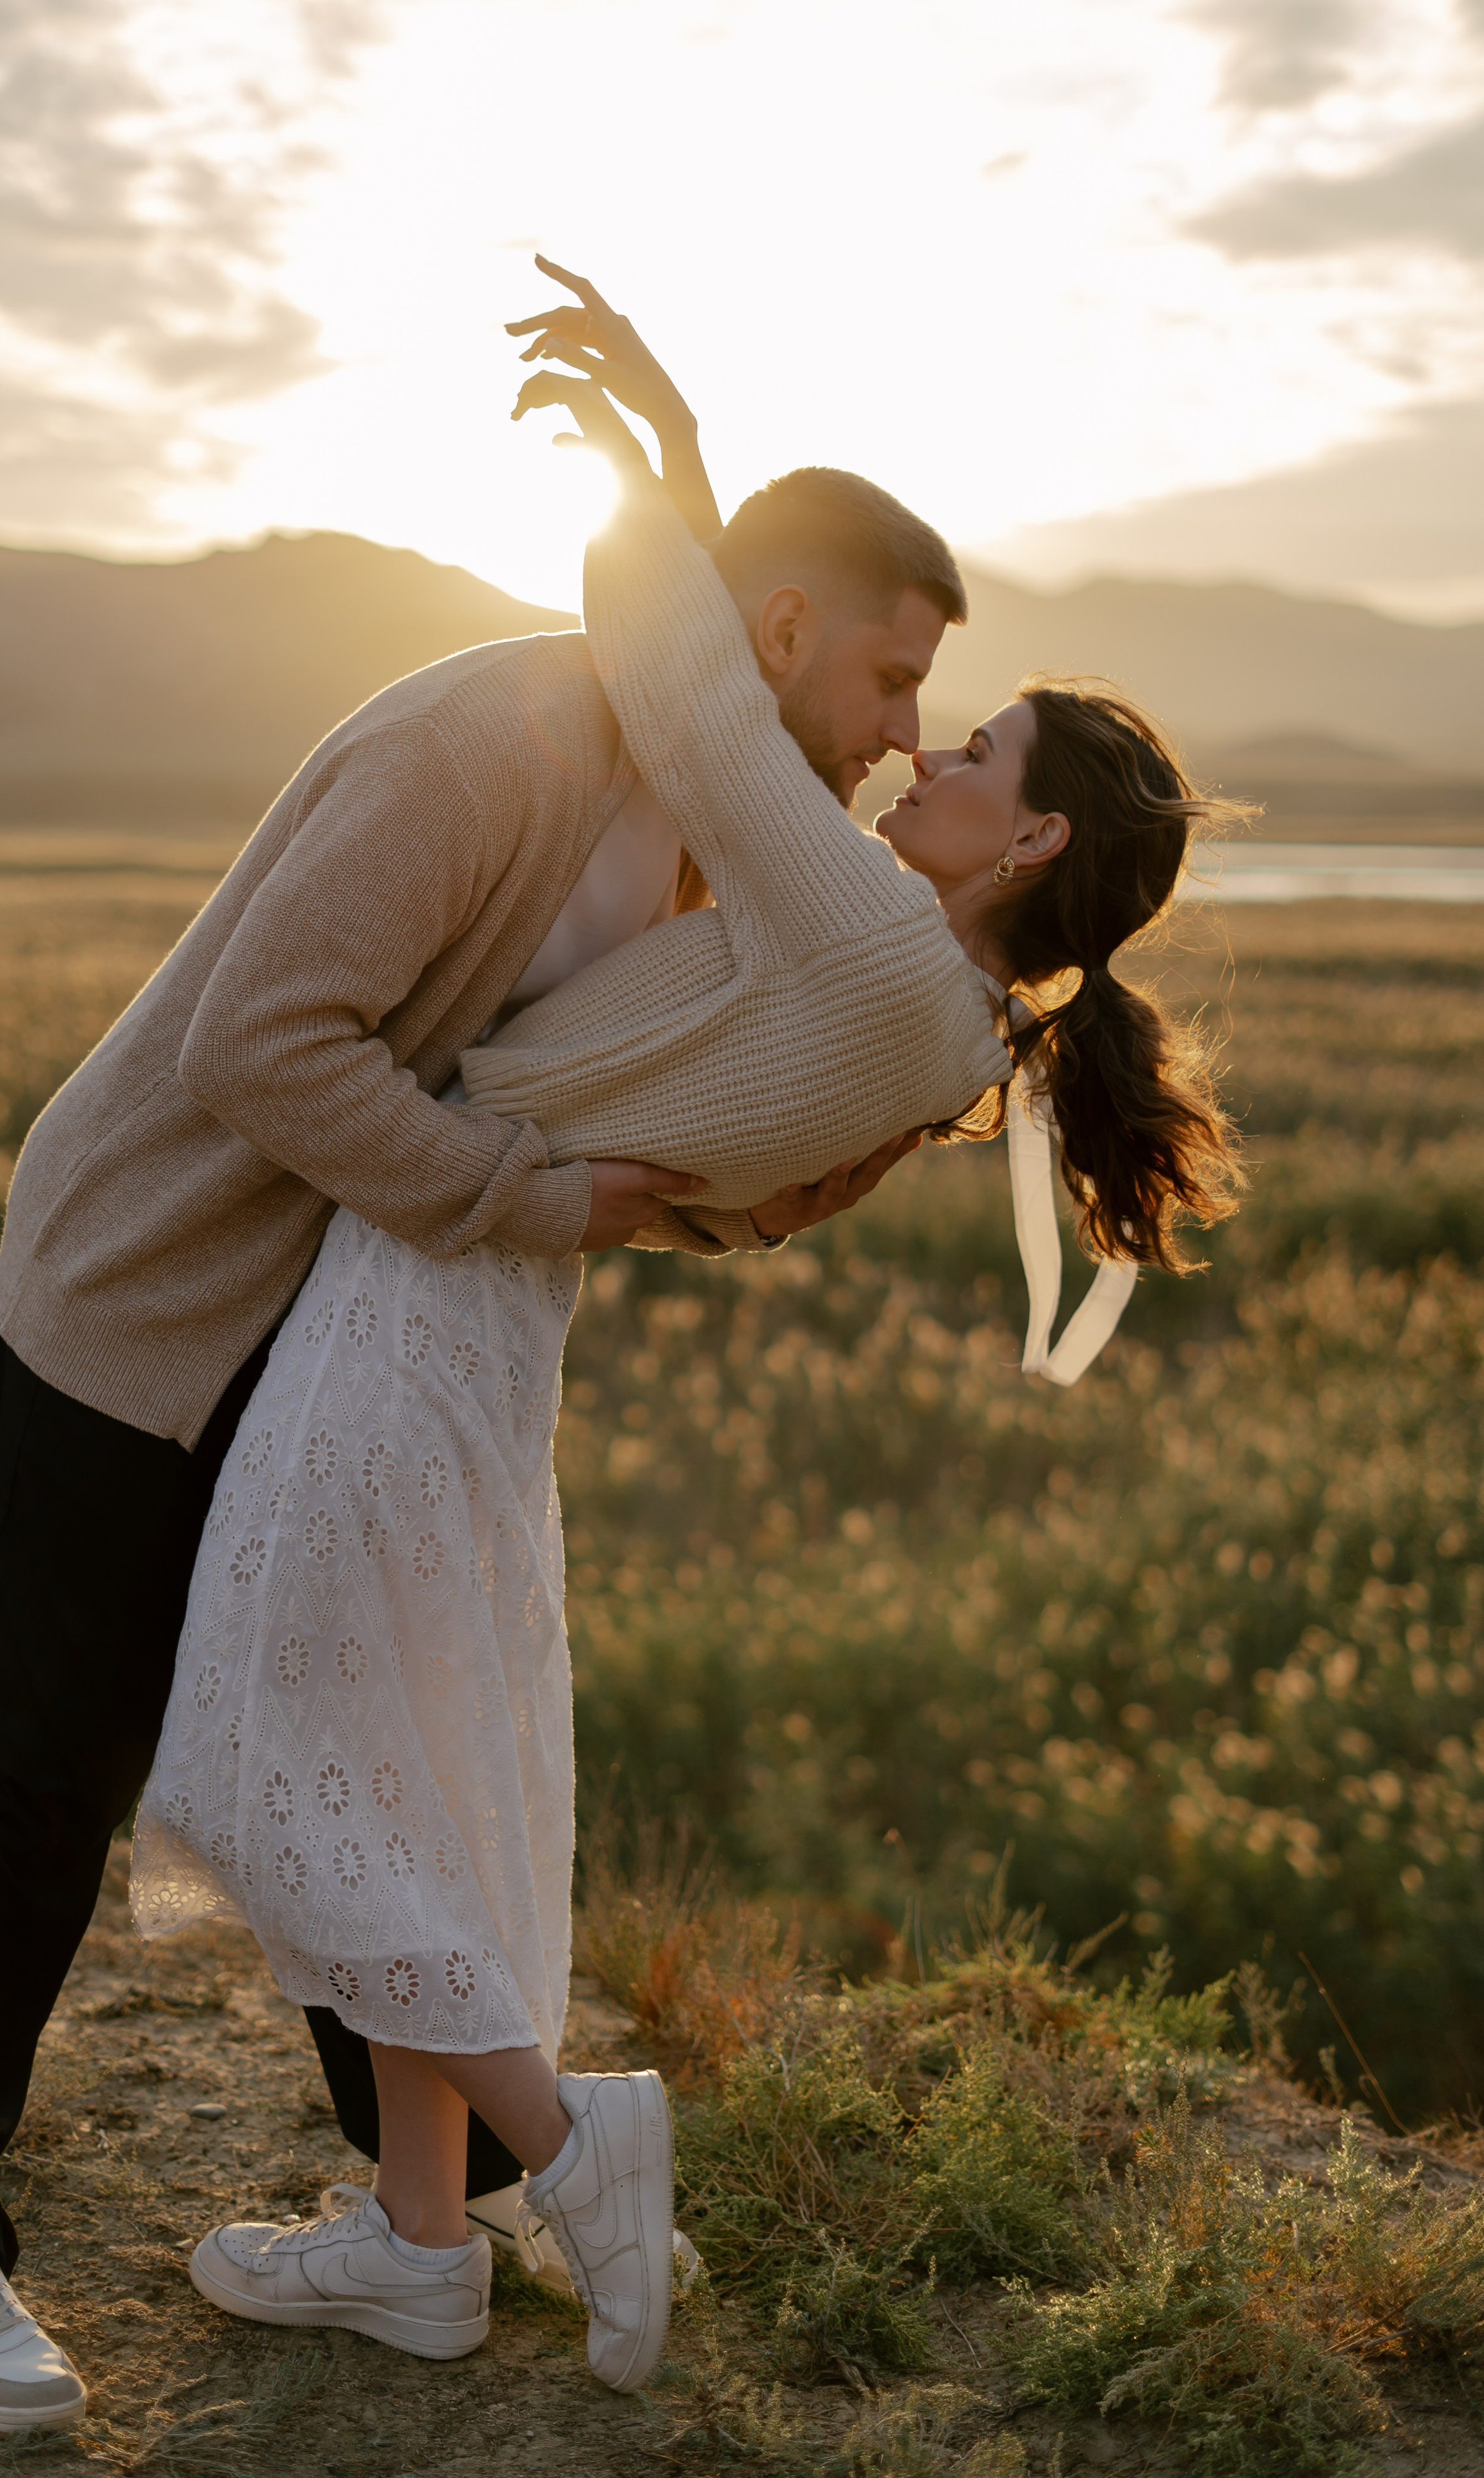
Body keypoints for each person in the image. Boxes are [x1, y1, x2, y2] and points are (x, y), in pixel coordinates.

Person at [0, 267, 974, 2440]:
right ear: (778, 639)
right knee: (32, 1755)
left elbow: (632, 1105)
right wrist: (529, 1205)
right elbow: (275, 1045)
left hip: (321, 1321)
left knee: (357, 1746)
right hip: (153, 1281)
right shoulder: (503, 742)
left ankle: (426, 2214)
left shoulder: (723, 856)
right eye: (898, 677)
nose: (910, 733)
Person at [125, 270, 1242, 2402]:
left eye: (972, 746)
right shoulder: (922, 1004)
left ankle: (575, 2141)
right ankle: (417, 2248)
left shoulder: (880, 968)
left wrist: (664, 470)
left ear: (1033, 844)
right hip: (481, 1307)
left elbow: (704, 695)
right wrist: (711, 487)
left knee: (274, 1762)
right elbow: (765, 771)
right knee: (424, 1766)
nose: (920, 741)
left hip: (420, 1291)